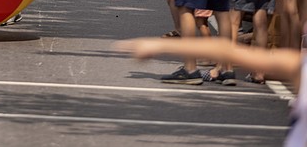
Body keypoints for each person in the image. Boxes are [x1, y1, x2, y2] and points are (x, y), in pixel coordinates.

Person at [114, 37, 306, 147]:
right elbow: (226, 50)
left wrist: (160, 45)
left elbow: (226, 50)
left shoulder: (300, 67)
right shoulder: (301, 67)